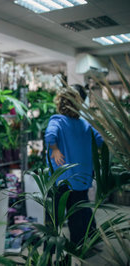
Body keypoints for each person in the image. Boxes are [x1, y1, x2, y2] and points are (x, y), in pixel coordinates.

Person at [45, 89, 103, 245]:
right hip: (81, 179)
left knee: (53, 218)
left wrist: (55, 149)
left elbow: (50, 135)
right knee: (77, 216)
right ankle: (79, 249)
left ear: (60, 104)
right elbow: (100, 141)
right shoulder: (85, 124)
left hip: (62, 180)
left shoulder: (57, 120)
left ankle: (49, 254)